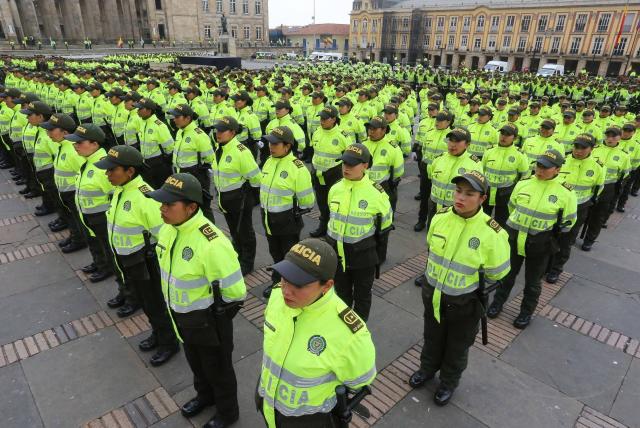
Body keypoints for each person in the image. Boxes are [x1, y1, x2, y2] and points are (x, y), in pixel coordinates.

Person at [149, 173, 246, 428]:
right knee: (196, 363)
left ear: (191, 207)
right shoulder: (170, 230)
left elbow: (235, 292)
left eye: (169, 205)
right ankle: (204, 397)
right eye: (162, 203)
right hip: (181, 317)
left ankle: (227, 413)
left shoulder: (212, 243)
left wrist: (215, 317)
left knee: (219, 370)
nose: (162, 209)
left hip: (209, 322)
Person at [409, 171, 510, 406]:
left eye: (469, 194)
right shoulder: (440, 217)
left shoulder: (492, 233)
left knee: (457, 347)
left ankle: (448, 382)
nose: (460, 198)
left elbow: (499, 272)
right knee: (432, 337)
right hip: (433, 295)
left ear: (483, 199)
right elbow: (431, 251)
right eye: (458, 191)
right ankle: (426, 370)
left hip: (465, 303)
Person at [257, 238, 376, 428]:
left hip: (309, 420)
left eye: (298, 284)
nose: (286, 290)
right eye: (284, 278)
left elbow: (360, 381)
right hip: (268, 404)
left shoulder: (350, 334)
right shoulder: (277, 297)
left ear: (327, 286)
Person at [95, 146, 180, 363]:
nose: (108, 174)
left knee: (155, 302)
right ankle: (158, 333)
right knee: (145, 301)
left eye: (112, 170)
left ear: (130, 171)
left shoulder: (145, 198)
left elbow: (165, 235)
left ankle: (168, 342)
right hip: (129, 259)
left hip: (146, 262)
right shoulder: (122, 190)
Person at [488, 150, 577, 329]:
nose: (540, 169)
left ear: (558, 169)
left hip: (540, 244)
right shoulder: (524, 184)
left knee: (532, 282)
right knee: (507, 275)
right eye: (539, 165)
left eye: (546, 167)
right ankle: (497, 303)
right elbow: (512, 206)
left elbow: (569, 222)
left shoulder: (566, 192)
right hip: (515, 238)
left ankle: (526, 312)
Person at [326, 143, 393, 321]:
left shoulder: (377, 194)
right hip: (338, 255)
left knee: (362, 298)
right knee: (341, 295)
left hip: (363, 258)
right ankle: (342, 328)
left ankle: (359, 331)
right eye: (344, 163)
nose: (346, 168)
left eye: (351, 164)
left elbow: (385, 226)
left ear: (365, 165)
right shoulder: (335, 189)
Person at [259, 126, 315, 298]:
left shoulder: (297, 169)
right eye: (270, 142)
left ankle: (290, 285)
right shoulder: (269, 161)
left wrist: (294, 213)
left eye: (275, 143)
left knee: (289, 256)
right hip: (268, 219)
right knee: (275, 253)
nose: (271, 146)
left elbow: (307, 201)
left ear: (287, 146)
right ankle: (277, 282)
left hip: (287, 222)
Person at [546, 134, 604, 283]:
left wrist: (588, 202)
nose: (578, 150)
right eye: (576, 146)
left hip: (579, 208)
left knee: (567, 240)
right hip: (556, 206)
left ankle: (556, 269)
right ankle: (545, 265)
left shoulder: (597, 166)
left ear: (592, 148)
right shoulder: (562, 161)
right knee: (550, 236)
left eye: (583, 148)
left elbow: (598, 187)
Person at [67, 124, 118, 283]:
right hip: (88, 213)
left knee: (106, 246)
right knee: (93, 240)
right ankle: (100, 263)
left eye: (80, 142)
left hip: (102, 216)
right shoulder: (88, 160)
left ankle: (109, 269)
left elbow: (115, 195)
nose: (76, 146)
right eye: (75, 142)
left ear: (95, 144)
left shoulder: (104, 167)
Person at [211, 116, 261, 275]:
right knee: (234, 230)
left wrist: (250, 196)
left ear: (232, 132)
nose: (218, 133)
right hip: (224, 198)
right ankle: (237, 255)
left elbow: (255, 178)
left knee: (244, 231)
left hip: (240, 199)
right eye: (217, 130)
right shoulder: (220, 148)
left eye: (222, 131)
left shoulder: (241, 152)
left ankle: (247, 262)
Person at [581, 127, 631, 251]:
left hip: (608, 189)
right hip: (590, 186)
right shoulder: (594, 150)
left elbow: (624, 175)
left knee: (598, 216)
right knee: (583, 213)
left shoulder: (624, 155)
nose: (610, 139)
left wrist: (617, 191)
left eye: (613, 136)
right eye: (608, 135)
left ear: (619, 137)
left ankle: (589, 240)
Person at [168, 103, 216, 222]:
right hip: (181, 174)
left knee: (203, 207)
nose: (174, 120)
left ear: (188, 118)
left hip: (196, 175)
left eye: (177, 117)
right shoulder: (180, 131)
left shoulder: (199, 135)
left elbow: (210, 157)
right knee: (187, 206)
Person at [309, 105, 349, 237]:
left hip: (334, 173)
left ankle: (334, 228)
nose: (322, 121)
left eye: (325, 119)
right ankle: (323, 224)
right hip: (318, 173)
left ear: (333, 119)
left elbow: (350, 157)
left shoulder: (343, 136)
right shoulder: (317, 132)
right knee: (321, 201)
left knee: (334, 203)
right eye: (321, 118)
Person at [481, 124, 530, 226]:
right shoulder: (489, 151)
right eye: (502, 133)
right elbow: (482, 170)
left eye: (508, 134)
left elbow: (524, 176)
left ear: (515, 138)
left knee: (501, 222)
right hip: (487, 191)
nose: (503, 136)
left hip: (506, 194)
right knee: (482, 219)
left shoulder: (519, 154)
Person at [363, 116, 405, 212]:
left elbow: (398, 172)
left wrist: (390, 183)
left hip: (385, 187)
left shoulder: (392, 148)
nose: (371, 131)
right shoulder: (364, 144)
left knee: (386, 213)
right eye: (369, 128)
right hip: (365, 186)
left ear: (383, 130)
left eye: (374, 129)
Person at [134, 97, 174, 188]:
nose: (138, 110)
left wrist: (164, 161)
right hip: (146, 163)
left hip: (158, 164)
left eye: (140, 108)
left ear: (149, 110)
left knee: (161, 189)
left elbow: (170, 147)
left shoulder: (159, 126)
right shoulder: (142, 122)